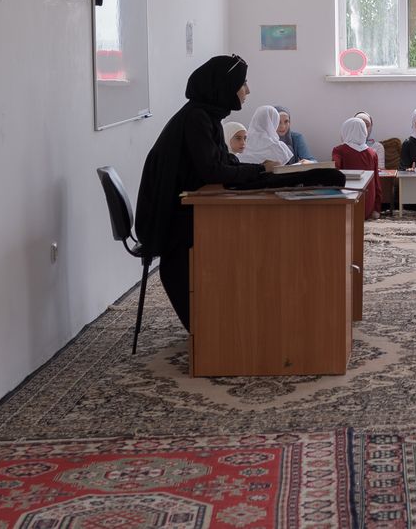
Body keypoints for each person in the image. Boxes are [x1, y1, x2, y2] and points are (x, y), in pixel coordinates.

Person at [133, 55, 341, 330]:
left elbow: (220, 163)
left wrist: (257, 170)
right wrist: (258, 172)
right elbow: (214, 172)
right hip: (171, 219)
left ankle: (231, 321)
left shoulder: (204, 115)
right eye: (243, 83)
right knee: (242, 238)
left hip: (174, 211)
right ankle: (218, 330)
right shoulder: (197, 118)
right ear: (224, 86)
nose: (248, 90)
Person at [332, 116, 380, 219]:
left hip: (349, 203)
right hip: (368, 206)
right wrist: (377, 208)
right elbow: (377, 182)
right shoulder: (372, 153)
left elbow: (334, 174)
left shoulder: (339, 150)